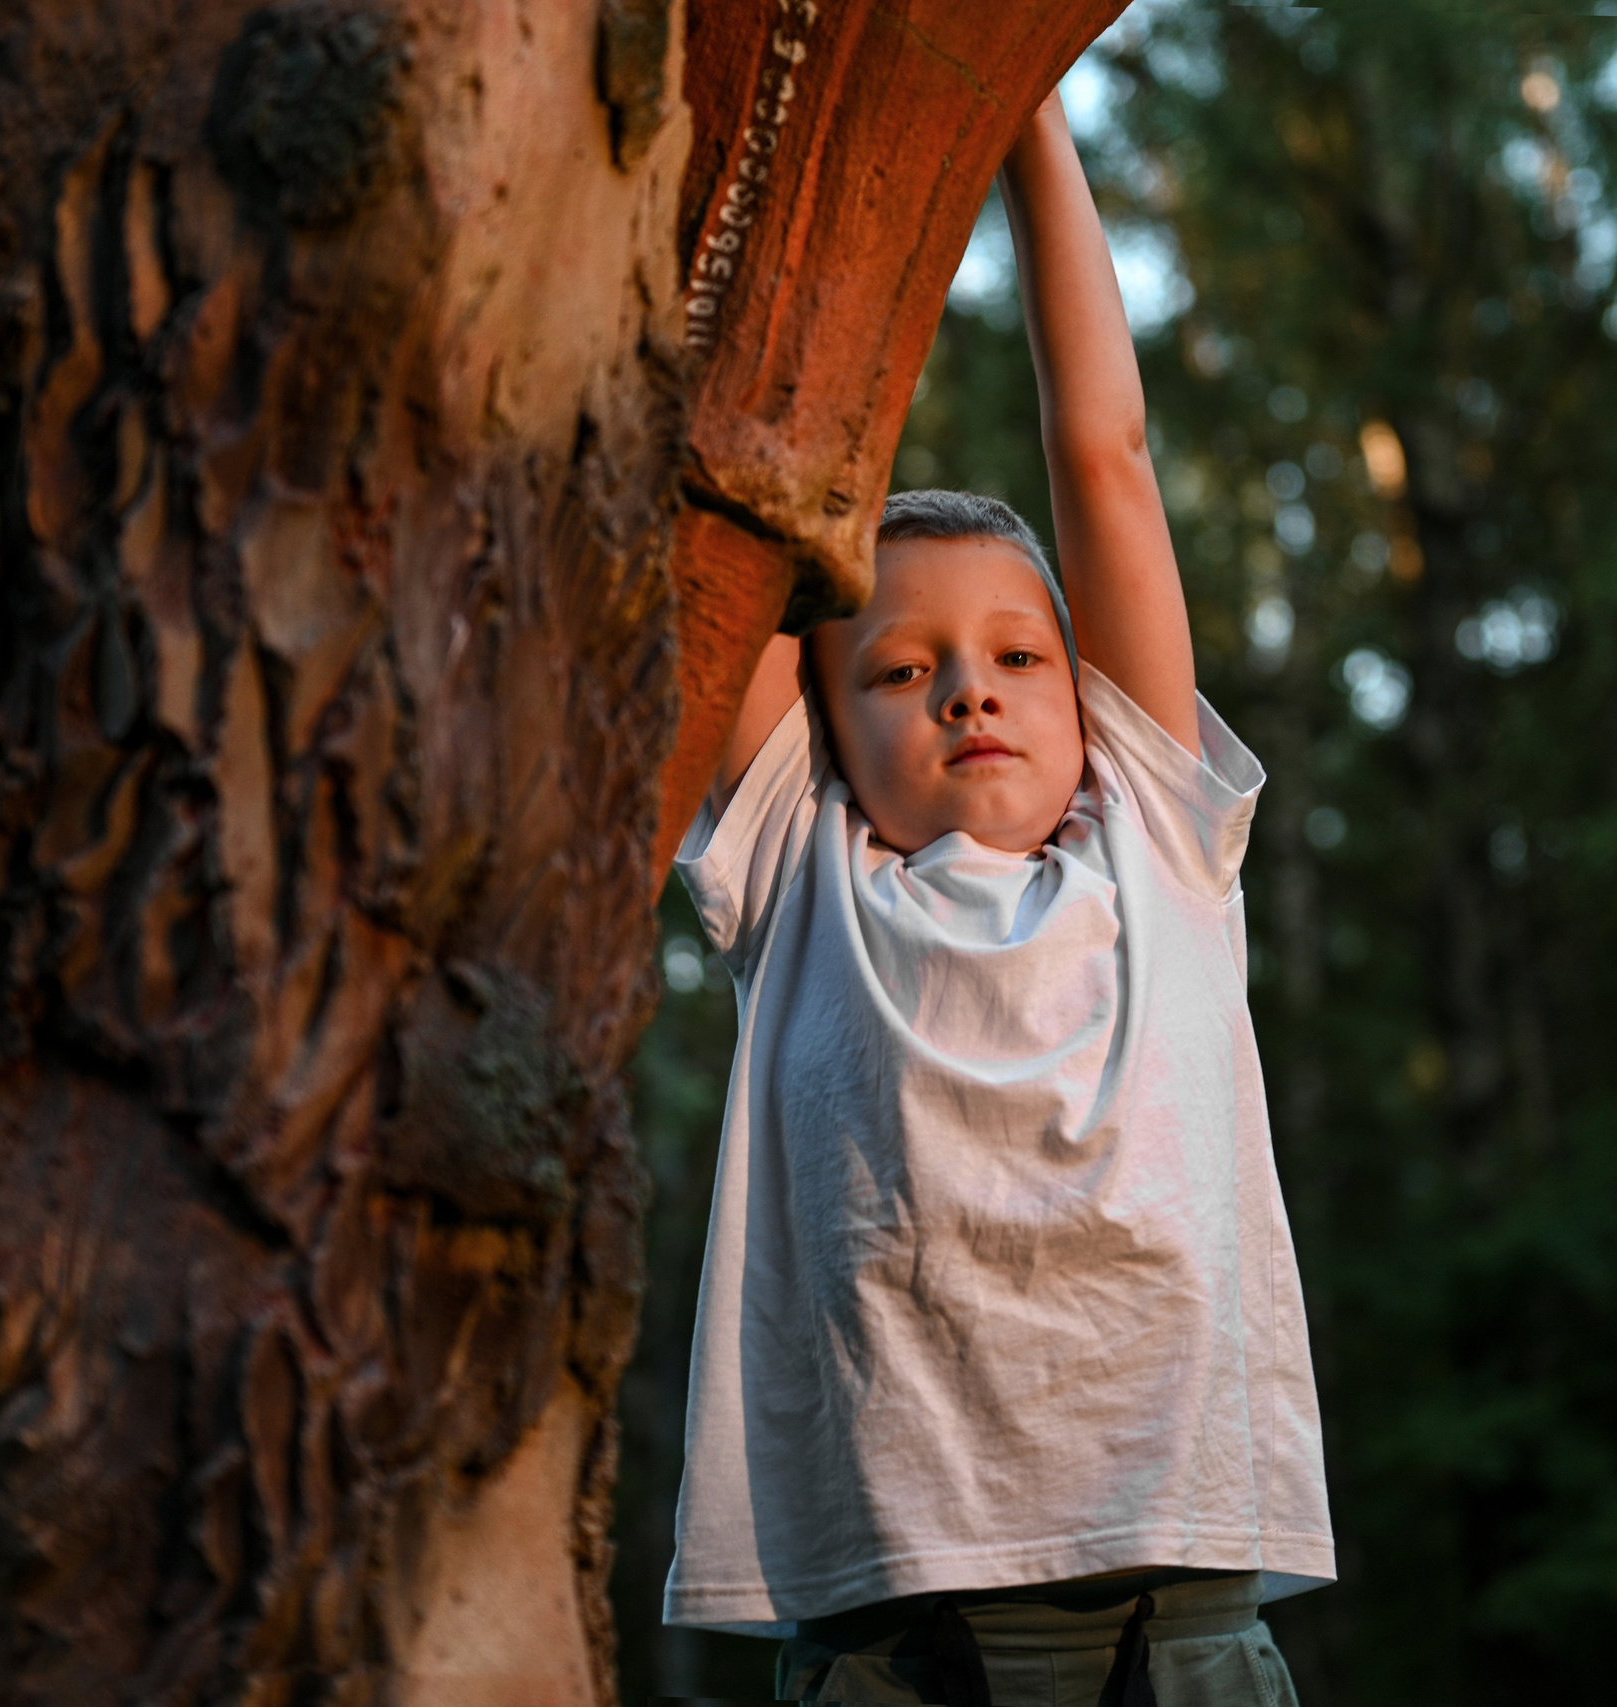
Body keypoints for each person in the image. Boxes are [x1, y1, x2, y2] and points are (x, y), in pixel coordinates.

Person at [663, 83, 1332, 1707]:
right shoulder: (798, 870)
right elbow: (747, 481)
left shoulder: (1155, 838)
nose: (972, 688)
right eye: (902, 667)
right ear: (828, 727)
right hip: (895, 1644)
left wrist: (1017, 108)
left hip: (1174, 1628)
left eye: (1019, 656)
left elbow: (1103, 454)